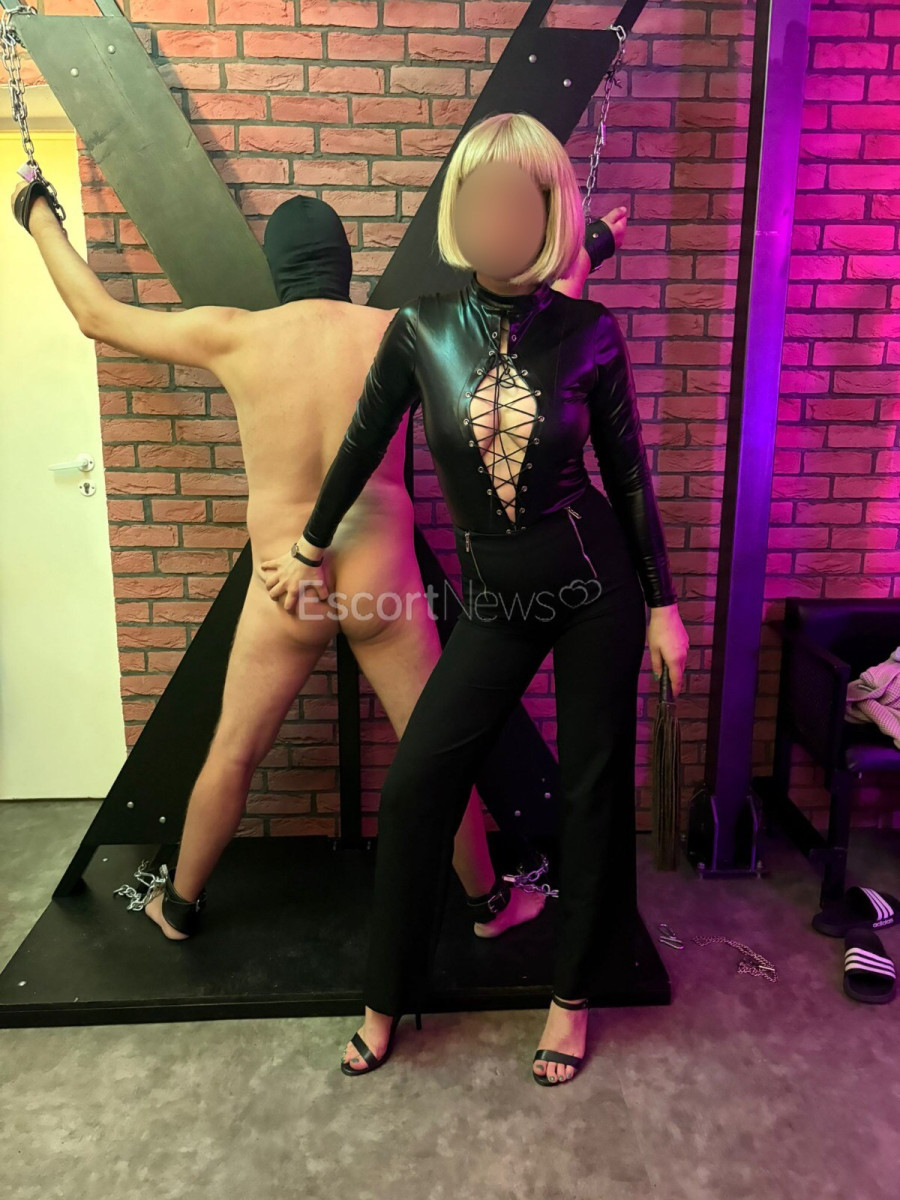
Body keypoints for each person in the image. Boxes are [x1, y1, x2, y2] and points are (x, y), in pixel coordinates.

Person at [9, 171, 626, 946]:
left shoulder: (233, 333)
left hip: (287, 579)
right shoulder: (404, 329)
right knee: (435, 755)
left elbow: (96, 316)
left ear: (278, 268)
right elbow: (533, 322)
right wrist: (588, 247)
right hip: (382, 580)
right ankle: (487, 906)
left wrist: (37, 213)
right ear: (344, 265)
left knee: (234, 751)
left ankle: (180, 903)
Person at [261, 112, 689, 1085]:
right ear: (459, 209)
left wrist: (663, 605)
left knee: (590, 795)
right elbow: (362, 443)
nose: (495, 215)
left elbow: (627, 476)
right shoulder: (421, 329)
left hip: (594, 590)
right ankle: (386, 994)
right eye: (477, 195)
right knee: (417, 788)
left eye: (516, 199)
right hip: (497, 602)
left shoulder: (591, 332)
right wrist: (309, 545)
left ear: (546, 212)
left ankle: (572, 996)